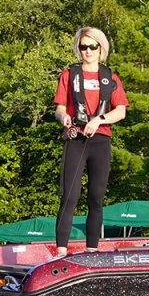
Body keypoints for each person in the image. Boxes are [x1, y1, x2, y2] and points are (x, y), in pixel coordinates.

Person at [53, 27, 129, 256]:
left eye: (92, 46)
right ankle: (61, 251)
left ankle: (92, 250)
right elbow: (59, 108)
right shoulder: (69, 75)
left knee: (96, 196)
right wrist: (63, 117)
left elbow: (121, 110)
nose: (88, 51)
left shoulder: (110, 77)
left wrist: (99, 120)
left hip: (100, 140)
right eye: (83, 46)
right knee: (70, 195)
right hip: (76, 137)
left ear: (100, 48)